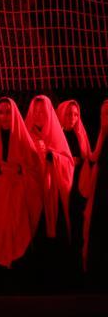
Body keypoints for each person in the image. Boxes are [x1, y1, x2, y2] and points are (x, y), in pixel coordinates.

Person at [0, 98, 43, 290]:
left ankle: (18, 281)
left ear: (14, 115)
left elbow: (34, 168)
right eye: (1, 112)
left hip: (18, 194)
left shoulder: (23, 139)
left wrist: (18, 173)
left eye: (7, 112)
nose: (4, 116)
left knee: (18, 230)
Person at [24, 95, 76, 289]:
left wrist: (50, 156)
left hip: (52, 196)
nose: (38, 115)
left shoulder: (55, 135)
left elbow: (68, 163)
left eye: (42, 111)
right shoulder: (26, 134)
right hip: (32, 194)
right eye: (35, 111)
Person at [58, 99, 91, 287]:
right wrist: (69, 161)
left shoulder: (80, 135)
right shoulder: (57, 135)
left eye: (75, 114)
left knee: (78, 225)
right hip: (63, 185)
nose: (72, 118)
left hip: (78, 185)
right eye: (69, 114)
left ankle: (78, 273)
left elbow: (88, 157)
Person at [83, 99, 108, 287]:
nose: (104, 118)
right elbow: (94, 155)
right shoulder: (104, 133)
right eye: (103, 114)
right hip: (102, 183)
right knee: (99, 221)